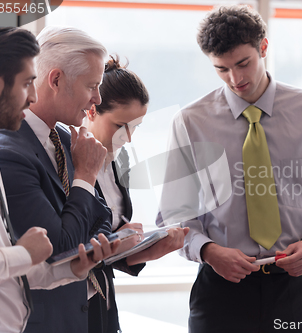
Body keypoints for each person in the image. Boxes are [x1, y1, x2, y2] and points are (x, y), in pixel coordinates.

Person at [160, 5, 302, 332]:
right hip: (220, 290)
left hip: (295, 286)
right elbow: (175, 213)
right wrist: (208, 251)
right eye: (222, 69)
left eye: (243, 63)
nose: (236, 79)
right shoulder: (191, 122)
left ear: (263, 47)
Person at [0, 25, 120, 333]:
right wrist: (26, 253)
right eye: (27, 84)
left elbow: (100, 216)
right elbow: (50, 247)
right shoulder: (5, 149)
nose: (33, 96)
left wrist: (72, 268)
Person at [83, 56, 189, 333]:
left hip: (104, 302)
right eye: (120, 126)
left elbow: (110, 255)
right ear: (91, 111)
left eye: (136, 127)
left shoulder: (119, 161)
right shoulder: (68, 164)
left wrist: (154, 250)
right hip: (73, 305)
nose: (128, 138)